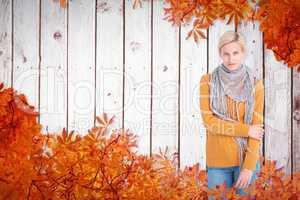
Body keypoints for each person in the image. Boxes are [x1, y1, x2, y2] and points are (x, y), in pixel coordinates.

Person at [199, 30, 265, 199]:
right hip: (217, 164)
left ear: (243, 53)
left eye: (235, 53)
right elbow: (209, 122)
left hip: (246, 162)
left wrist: (249, 167)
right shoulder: (208, 81)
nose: (231, 59)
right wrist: (246, 130)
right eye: (226, 54)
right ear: (220, 54)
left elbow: (256, 130)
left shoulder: (256, 85)